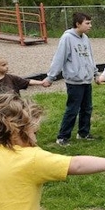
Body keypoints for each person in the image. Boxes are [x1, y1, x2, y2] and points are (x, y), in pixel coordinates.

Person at [42, 12, 98, 146]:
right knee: (72, 109)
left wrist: (95, 74)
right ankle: (62, 137)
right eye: (87, 23)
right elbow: (59, 58)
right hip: (75, 82)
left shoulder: (85, 38)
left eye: (90, 23)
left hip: (86, 80)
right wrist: (51, 77)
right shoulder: (67, 38)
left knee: (87, 108)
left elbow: (89, 57)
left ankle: (83, 133)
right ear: (78, 24)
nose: (90, 26)